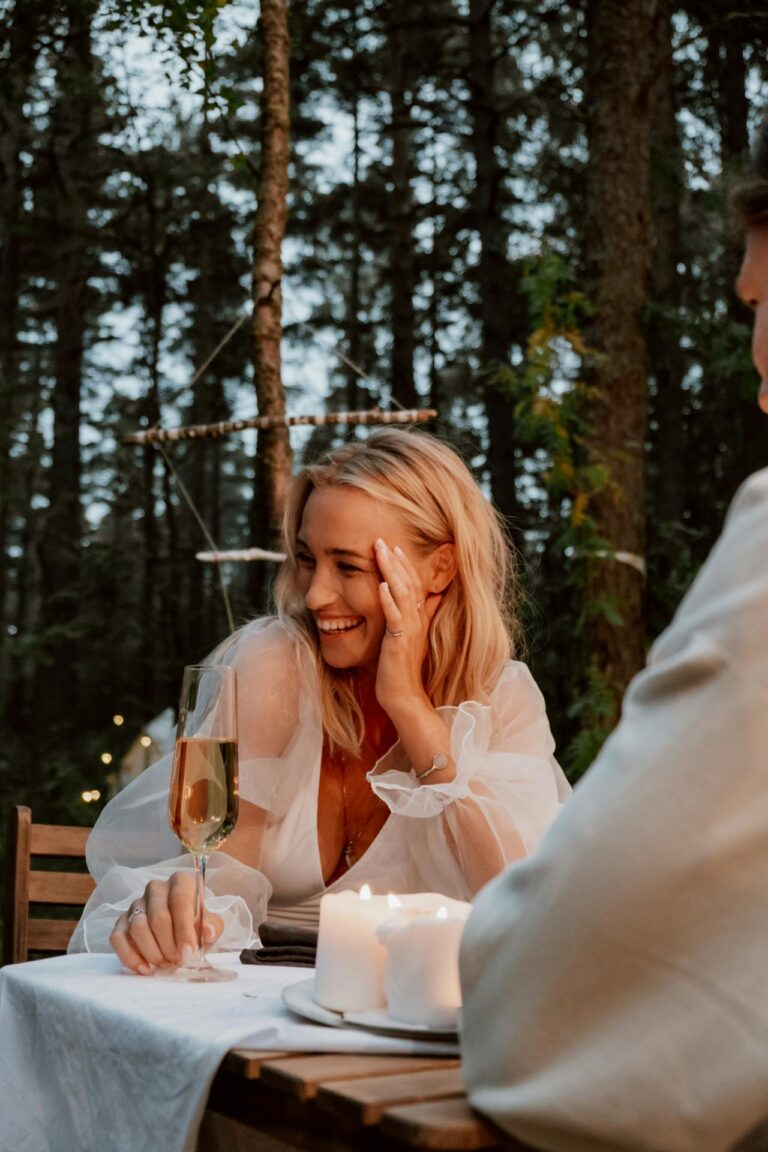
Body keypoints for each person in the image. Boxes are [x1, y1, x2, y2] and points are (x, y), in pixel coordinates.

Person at [460, 124, 768, 1152]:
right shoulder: (267, 674)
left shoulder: (500, 690)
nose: (749, 328)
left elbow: (556, 1000)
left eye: (762, 299)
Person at [70, 428, 570, 973]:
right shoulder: (275, 667)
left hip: (413, 1023)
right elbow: (223, 879)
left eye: (349, 567)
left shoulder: (503, 698)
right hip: (259, 1012)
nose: (314, 595)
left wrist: (407, 702)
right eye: (307, 559)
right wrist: (181, 912)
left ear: (439, 569)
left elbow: (526, 908)